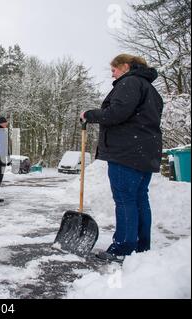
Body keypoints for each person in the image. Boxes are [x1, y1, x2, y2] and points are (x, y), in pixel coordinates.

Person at [80, 54, 164, 262]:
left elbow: (116, 113)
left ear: (126, 66)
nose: (113, 74)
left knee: (125, 199)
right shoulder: (151, 90)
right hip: (145, 152)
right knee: (139, 198)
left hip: (126, 152)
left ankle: (124, 248)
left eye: (114, 70)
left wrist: (89, 115)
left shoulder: (130, 83)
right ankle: (141, 246)